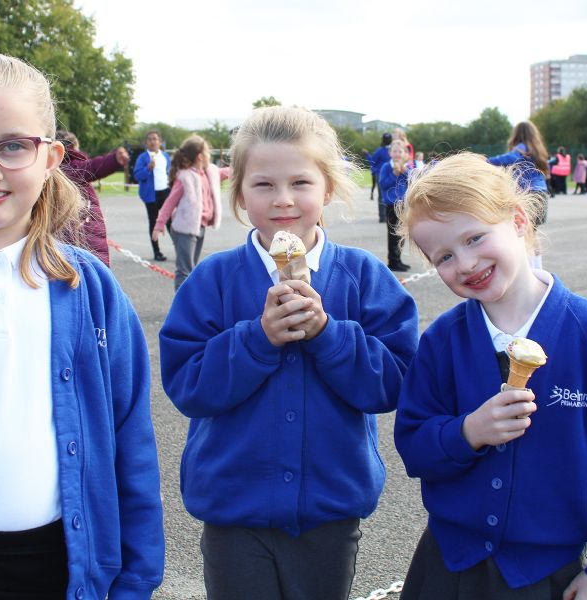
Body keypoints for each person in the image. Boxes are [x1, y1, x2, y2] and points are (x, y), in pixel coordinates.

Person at [159, 106, 419, 600]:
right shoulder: (213, 279)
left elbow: (395, 381)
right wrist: (257, 340)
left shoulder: (363, 277)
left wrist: (328, 334)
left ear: (328, 188)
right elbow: (187, 385)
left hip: (329, 511)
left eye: (301, 182)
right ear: (239, 193)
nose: (283, 199)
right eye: (264, 185)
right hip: (235, 511)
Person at [0, 54, 164, 598]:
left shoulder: (90, 290)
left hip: (56, 565)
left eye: (11, 146)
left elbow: (132, 441)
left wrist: (135, 580)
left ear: (51, 158)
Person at [394, 152, 587, 600]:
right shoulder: (441, 341)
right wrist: (467, 432)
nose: (466, 263)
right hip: (447, 565)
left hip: (548, 573)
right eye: (445, 256)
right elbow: (413, 446)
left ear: (519, 220)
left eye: (475, 237)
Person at [152, 134, 230, 291]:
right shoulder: (185, 176)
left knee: (191, 269)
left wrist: (246, 165)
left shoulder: (208, 173)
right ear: (200, 156)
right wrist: (159, 225)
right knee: (184, 270)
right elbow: (169, 202)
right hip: (184, 229)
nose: (209, 155)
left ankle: (190, 300)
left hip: (199, 227)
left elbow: (227, 172)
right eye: (207, 152)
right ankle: (182, 304)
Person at [56, 130, 129, 266]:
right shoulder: (69, 166)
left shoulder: (54, 169)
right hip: (83, 236)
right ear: (74, 146)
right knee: (92, 272)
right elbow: (91, 167)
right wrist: (113, 160)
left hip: (79, 233)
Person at [487, 121, 550, 268]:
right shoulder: (537, 150)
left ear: (517, 134)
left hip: (528, 195)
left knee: (523, 233)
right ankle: (537, 268)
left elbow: (502, 160)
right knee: (531, 234)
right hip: (541, 194)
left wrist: (483, 160)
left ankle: (531, 271)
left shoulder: (522, 149)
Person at [133, 130, 171, 261]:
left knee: (170, 221)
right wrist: (148, 168)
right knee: (154, 222)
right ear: (146, 143)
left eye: (155, 139)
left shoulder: (165, 156)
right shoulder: (143, 158)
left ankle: (180, 249)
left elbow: (169, 172)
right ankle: (157, 252)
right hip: (150, 195)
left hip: (165, 193)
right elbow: (137, 175)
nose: (152, 141)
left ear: (160, 142)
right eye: (149, 139)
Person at [379, 139, 413, 271]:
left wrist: (405, 172)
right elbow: (383, 184)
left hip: (403, 204)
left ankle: (398, 259)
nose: (397, 154)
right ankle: (392, 261)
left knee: (402, 233)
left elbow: (412, 181)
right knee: (393, 234)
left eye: (400, 151)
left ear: (404, 153)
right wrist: (394, 174)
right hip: (391, 205)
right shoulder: (386, 167)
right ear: (390, 153)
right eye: (394, 151)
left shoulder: (406, 167)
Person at [366, 132, 392, 222]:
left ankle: (389, 215)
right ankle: (382, 217)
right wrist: (374, 171)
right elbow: (372, 162)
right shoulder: (379, 151)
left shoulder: (393, 150)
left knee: (390, 194)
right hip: (380, 175)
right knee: (382, 195)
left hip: (392, 174)